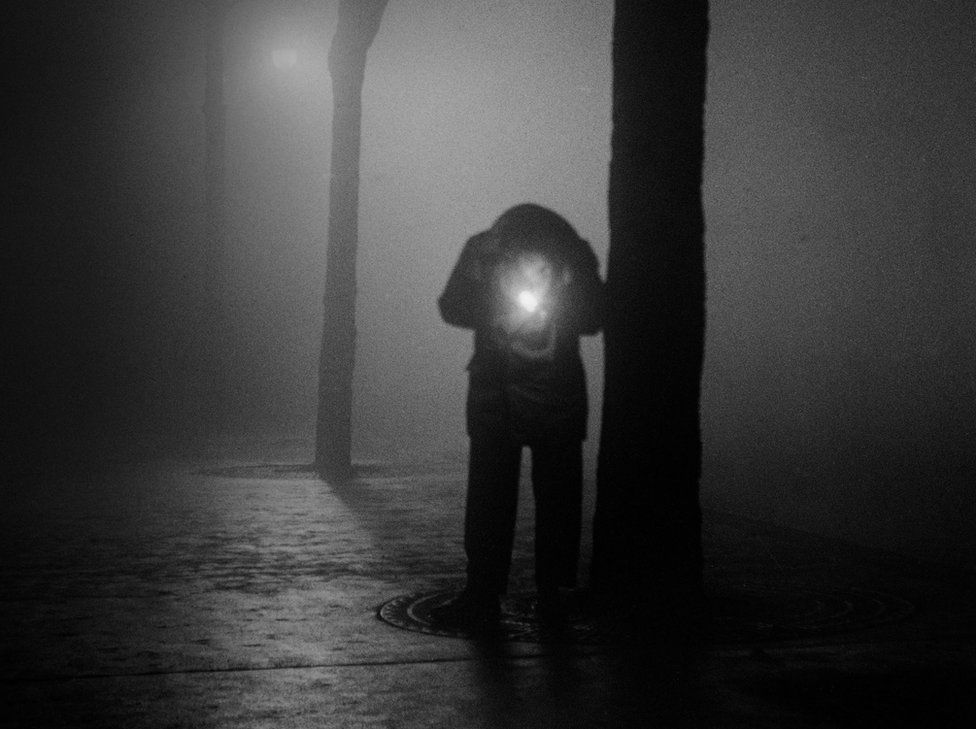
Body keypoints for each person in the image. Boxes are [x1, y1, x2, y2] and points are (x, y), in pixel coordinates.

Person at [432, 203, 604, 629]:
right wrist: (558, 308)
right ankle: (552, 594)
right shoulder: (572, 251)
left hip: (496, 393)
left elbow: (451, 306)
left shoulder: (484, 249)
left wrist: (494, 308)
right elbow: (595, 316)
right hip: (555, 393)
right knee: (558, 499)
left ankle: (483, 593)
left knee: (491, 497)